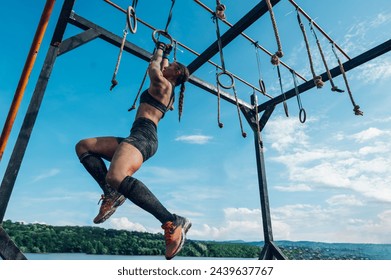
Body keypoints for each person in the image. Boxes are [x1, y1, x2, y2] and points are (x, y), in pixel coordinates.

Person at [75, 41, 191, 260]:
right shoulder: (169, 88)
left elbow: (153, 66)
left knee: (117, 175)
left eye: (171, 65)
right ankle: (112, 193)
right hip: (136, 134)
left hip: (144, 137)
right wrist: (166, 51)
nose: (166, 66)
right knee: (84, 146)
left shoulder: (164, 85)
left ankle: (172, 220)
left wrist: (157, 50)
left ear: (175, 71)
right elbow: (162, 65)